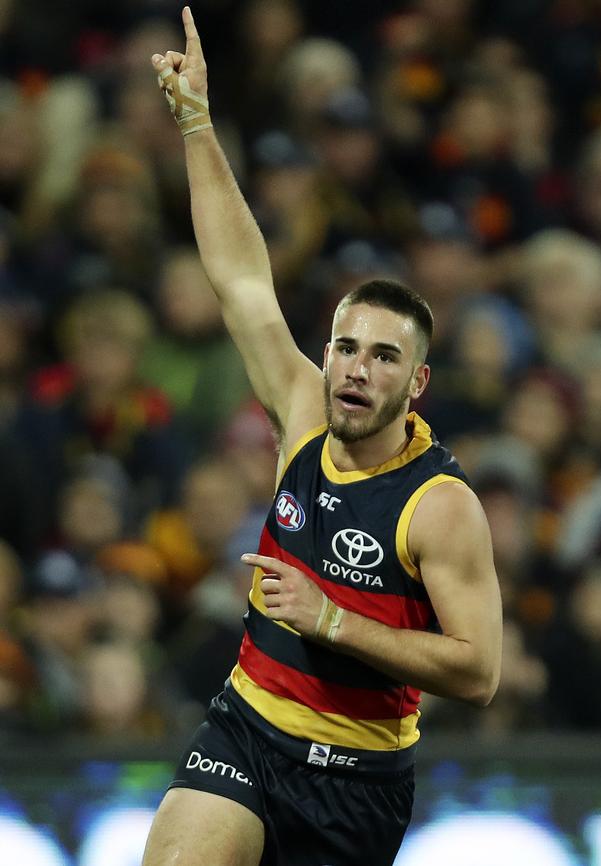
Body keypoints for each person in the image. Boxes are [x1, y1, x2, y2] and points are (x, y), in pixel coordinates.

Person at [143, 8, 502, 866]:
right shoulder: (302, 413)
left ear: (415, 385)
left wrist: (332, 619)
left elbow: (479, 672)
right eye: (346, 346)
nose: (354, 369)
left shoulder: (439, 506)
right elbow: (239, 281)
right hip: (245, 733)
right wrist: (196, 123)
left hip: (357, 784)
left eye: (383, 357)